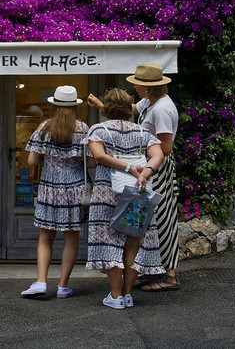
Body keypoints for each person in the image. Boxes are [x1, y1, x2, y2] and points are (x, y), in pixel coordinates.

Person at [85, 87, 165, 309]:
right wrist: (145, 172)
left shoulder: (98, 130)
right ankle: (128, 294)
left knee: (110, 240)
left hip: (107, 193)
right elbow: (158, 154)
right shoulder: (142, 132)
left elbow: (99, 156)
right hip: (137, 193)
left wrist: (129, 167)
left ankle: (115, 294)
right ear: (129, 109)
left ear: (106, 108)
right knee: (133, 241)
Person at [21, 85, 90, 300]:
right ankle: (63, 286)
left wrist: (47, 157)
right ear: (74, 107)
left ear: (54, 106)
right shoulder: (83, 129)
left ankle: (41, 281)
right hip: (75, 187)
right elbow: (93, 161)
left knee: (45, 237)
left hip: (50, 187)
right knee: (71, 238)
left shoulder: (44, 128)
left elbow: (31, 161)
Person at [129, 64, 181, 292]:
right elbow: (132, 109)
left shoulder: (161, 110)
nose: (133, 86)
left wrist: (147, 161)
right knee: (150, 219)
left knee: (160, 218)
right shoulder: (149, 103)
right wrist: (104, 106)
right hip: (151, 164)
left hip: (158, 167)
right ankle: (155, 271)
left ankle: (169, 276)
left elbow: (166, 148)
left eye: (137, 83)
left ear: (148, 88)